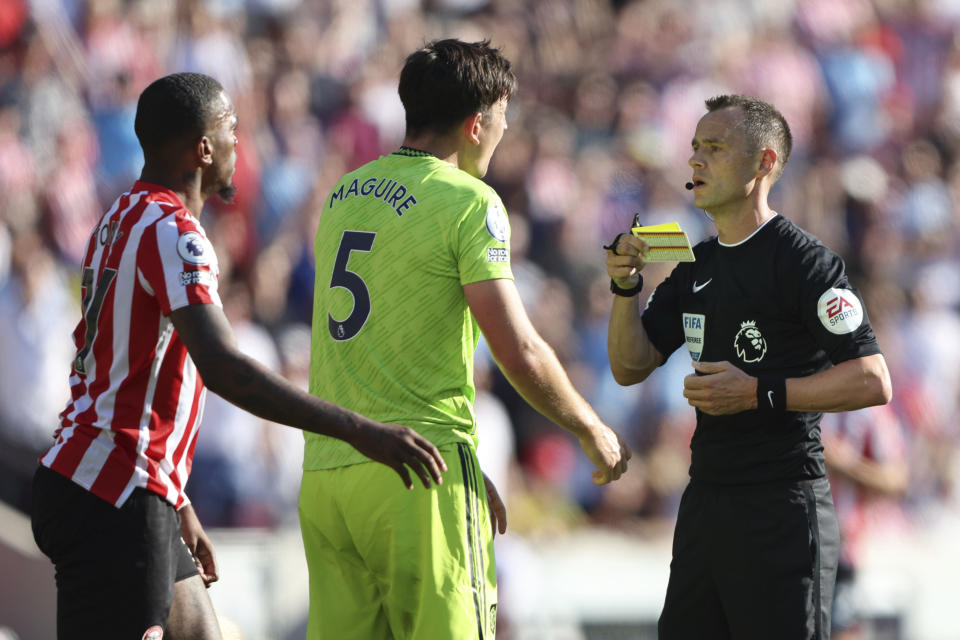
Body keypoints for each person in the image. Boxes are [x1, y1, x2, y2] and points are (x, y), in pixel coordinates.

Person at [29, 72, 447, 640]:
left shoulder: (120, 217)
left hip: (110, 477)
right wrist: (358, 430)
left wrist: (178, 505)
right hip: (116, 489)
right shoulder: (174, 232)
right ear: (202, 148)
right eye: (230, 128)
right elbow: (223, 367)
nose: (237, 142)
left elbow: (128, 368)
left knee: (201, 633)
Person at [302, 39, 630, 640]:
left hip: (329, 474)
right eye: (505, 117)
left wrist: (470, 469)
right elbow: (517, 347)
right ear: (477, 122)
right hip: (418, 473)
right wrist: (591, 426)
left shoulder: (342, 196)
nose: (505, 132)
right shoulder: (468, 201)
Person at [605, 94, 892, 639]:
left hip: (781, 506)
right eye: (694, 148)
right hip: (706, 503)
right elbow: (630, 365)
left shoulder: (805, 262)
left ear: (764, 163)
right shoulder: (696, 265)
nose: (695, 161)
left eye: (714, 147)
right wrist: (625, 287)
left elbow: (872, 378)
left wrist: (759, 392)